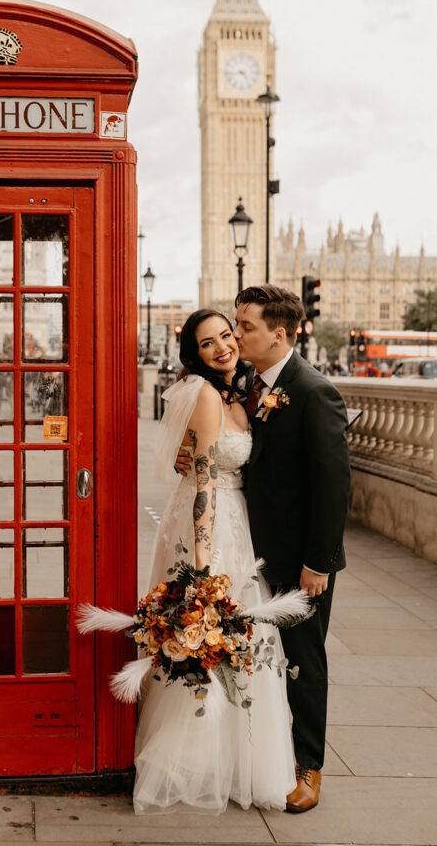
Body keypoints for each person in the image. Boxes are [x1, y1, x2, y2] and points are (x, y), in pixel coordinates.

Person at [183, 284, 350, 813]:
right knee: (265, 661)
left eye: (245, 326)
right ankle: (266, 759)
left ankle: (309, 770)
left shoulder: (314, 390)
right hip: (254, 549)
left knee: (303, 662)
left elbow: (334, 487)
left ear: (280, 334)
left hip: (302, 560)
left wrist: (317, 564)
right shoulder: (252, 383)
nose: (236, 335)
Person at [133, 309, 302, 815]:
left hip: (236, 517)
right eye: (208, 344)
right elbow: (204, 475)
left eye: (227, 336)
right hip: (209, 523)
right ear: (195, 355)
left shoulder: (242, 388)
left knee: (235, 638)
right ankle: (189, 760)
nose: (223, 347)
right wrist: (204, 553)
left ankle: (229, 758)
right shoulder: (207, 395)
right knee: (211, 634)